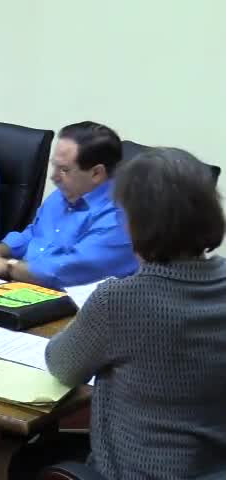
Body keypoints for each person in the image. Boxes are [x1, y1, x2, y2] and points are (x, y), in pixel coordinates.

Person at [44, 148, 226, 479]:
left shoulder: (120, 299)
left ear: (135, 222)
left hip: (135, 471)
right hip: (213, 466)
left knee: (25, 458)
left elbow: (62, 365)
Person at [0, 122, 138, 289]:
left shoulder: (118, 217)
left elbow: (66, 272)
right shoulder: (63, 195)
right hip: (24, 287)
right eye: (54, 166)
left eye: (64, 170)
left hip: (71, 302)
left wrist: (5, 266)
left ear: (96, 173)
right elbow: (33, 234)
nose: (54, 177)